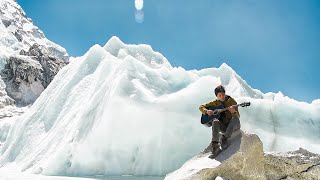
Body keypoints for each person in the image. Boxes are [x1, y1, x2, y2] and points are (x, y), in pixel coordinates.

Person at [199, 85, 241, 158]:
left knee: (235, 118)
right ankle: (215, 146)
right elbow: (201, 107)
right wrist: (206, 111)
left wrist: (233, 112)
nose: (222, 97)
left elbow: (237, 116)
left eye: (223, 94)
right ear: (216, 96)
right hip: (224, 127)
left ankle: (224, 138)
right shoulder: (215, 102)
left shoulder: (231, 101)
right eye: (219, 95)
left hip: (233, 126)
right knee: (215, 121)